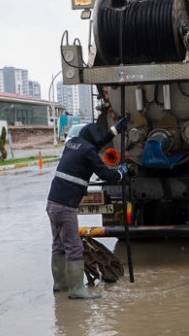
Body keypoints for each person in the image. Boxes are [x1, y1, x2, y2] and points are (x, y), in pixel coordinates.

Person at [47, 119, 128, 299]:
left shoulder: (72, 144)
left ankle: (60, 284)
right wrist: (121, 173)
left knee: (58, 245)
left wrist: (114, 130)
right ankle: (77, 290)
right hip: (66, 205)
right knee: (74, 247)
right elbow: (105, 174)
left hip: (52, 203)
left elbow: (94, 143)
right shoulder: (89, 151)